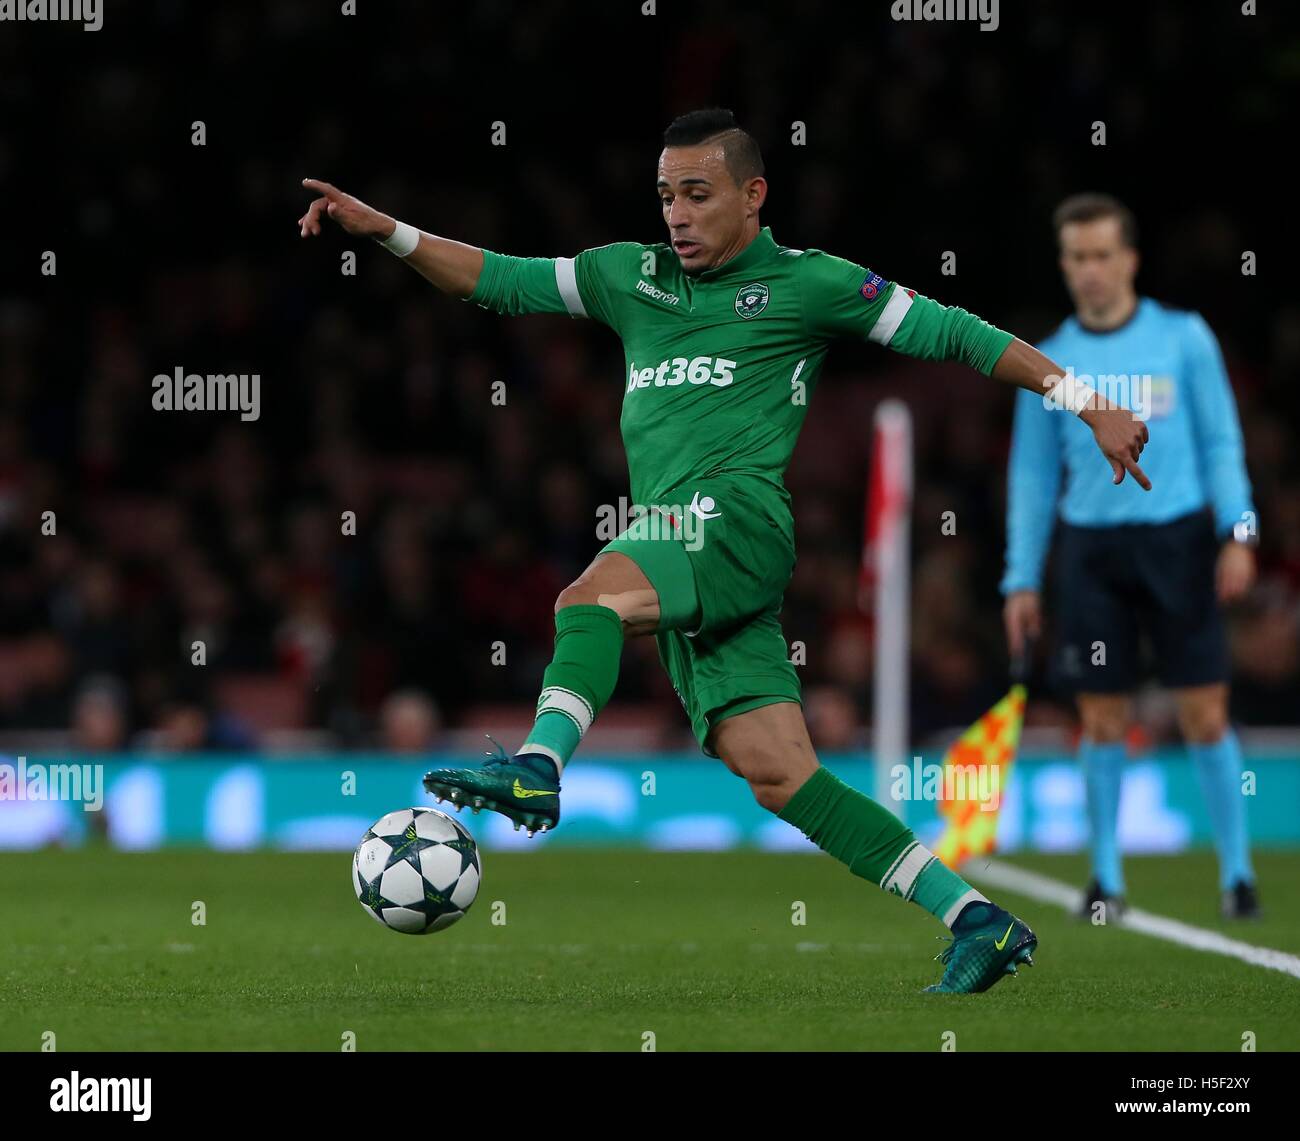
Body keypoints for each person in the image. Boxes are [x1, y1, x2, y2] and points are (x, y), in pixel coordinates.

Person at [299, 109, 1149, 992]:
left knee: (588, 600)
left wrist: (1086, 402)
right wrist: (387, 231)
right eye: (666, 195)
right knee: (779, 771)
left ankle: (538, 769)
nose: (676, 214)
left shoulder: (810, 283)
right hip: (683, 542)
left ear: (753, 196)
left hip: (736, 519)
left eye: (697, 195)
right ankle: (978, 919)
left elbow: (958, 334)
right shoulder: (631, 276)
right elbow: (496, 280)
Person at [1002, 193, 1259, 920]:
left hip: (1178, 540)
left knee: (1205, 712)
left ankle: (1237, 873)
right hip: (1091, 549)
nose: (1090, 270)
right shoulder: (1049, 362)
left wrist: (1239, 532)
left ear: (1131, 260)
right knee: (1102, 714)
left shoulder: (1185, 338)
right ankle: (1106, 877)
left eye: (1102, 255)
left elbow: (1221, 443)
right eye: (1077, 257)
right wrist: (1021, 577)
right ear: (1063, 264)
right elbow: (1029, 476)